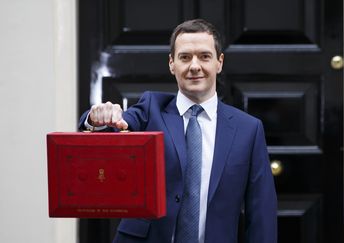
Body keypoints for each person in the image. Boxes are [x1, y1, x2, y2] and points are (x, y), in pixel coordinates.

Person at [79, 19, 277, 243]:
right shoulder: (150, 108)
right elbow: (110, 136)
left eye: (204, 56)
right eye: (185, 57)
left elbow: (262, 213)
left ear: (219, 62)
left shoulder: (248, 129)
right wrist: (98, 119)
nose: (194, 66)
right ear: (172, 63)